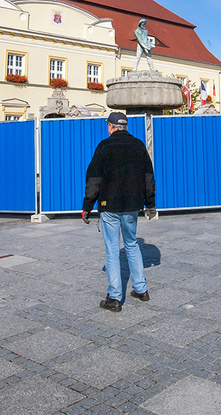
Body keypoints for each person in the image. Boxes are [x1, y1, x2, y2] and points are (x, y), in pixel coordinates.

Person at [82, 111, 156, 312]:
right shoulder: (138, 145)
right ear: (125, 126)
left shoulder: (104, 146)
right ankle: (141, 290)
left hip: (110, 206)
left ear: (110, 126)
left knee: (112, 250)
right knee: (132, 244)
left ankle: (114, 298)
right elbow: (148, 177)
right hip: (132, 205)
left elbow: (94, 179)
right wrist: (150, 204)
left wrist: (87, 206)